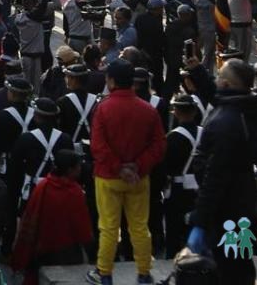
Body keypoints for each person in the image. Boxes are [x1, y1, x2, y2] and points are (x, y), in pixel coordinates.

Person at [87, 59, 166, 285]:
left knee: (109, 227)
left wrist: (118, 167)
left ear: (111, 81)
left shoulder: (103, 108)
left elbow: (98, 146)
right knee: (140, 226)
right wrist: (138, 166)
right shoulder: (148, 110)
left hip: (108, 177)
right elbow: (158, 146)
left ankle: (104, 273)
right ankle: (143, 272)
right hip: (138, 178)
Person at [185, 59, 257, 285]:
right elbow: (217, 96)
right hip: (243, 200)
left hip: (226, 208)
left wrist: (200, 218)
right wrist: (198, 71)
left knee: (229, 267)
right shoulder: (244, 107)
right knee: (239, 260)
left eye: (219, 76)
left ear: (227, 85)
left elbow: (215, 176)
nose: (216, 80)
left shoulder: (225, 123)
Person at [10, 149, 93, 285]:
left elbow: (29, 215)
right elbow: (82, 228)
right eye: (78, 166)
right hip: (66, 252)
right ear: (70, 170)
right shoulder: (75, 192)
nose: (80, 169)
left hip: (40, 249)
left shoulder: (42, 186)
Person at [159, 94, 202, 260]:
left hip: (178, 189)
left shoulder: (173, 137)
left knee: (174, 229)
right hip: (200, 187)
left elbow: (166, 166)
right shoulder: (204, 133)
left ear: (175, 112)